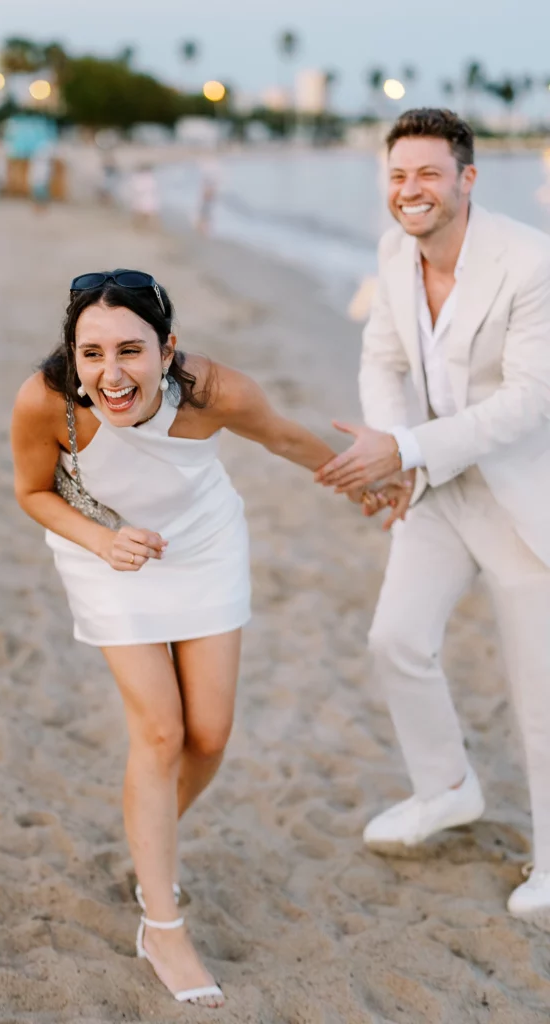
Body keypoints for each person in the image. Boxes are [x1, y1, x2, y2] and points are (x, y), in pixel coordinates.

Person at [11, 270, 386, 1007]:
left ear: (167, 348)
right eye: (91, 354)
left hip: (204, 546)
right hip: (108, 555)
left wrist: (368, 483)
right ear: (72, 355)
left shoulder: (215, 391)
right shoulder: (45, 400)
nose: (111, 375)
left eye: (131, 351)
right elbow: (32, 492)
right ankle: (162, 922)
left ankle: (151, 842)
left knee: (208, 735)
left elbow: (284, 439)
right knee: (160, 733)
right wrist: (101, 539)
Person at [316, 108, 550, 924]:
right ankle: (446, 787)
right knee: (397, 639)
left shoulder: (529, 262)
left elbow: (524, 405)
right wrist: (394, 447)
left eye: (427, 174)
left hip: (524, 496)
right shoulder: (392, 253)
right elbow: (381, 357)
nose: (410, 191)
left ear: (467, 180)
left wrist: (407, 452)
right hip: (437, 487)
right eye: (398, 176)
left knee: (538, 688)